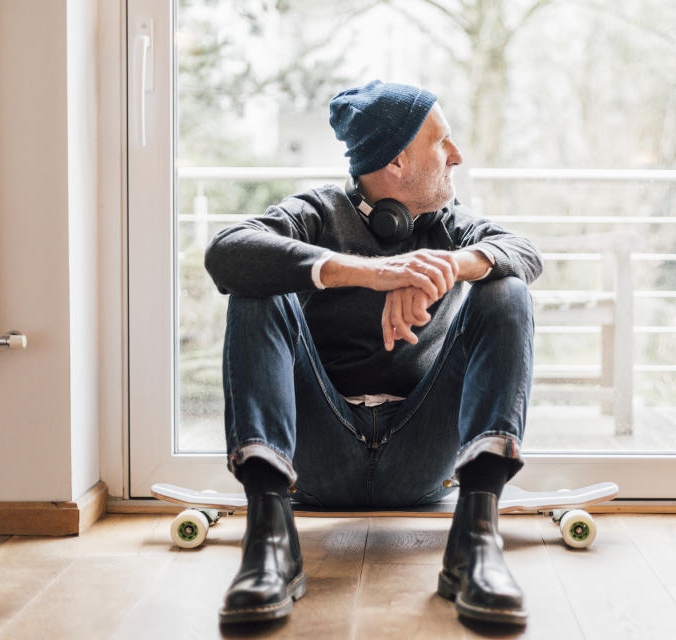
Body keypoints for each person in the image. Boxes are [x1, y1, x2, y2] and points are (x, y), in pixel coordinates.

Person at [204, 80, 543, 626]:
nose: (457, 156)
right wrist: (374, 273)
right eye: (443, 144)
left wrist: (442, 268)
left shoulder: (447, 224)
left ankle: (476, 541)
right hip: (320, 454)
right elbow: (227, 252)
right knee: (254, 288)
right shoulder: (318, 211)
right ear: (398, 161)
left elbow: (524, 251)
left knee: (507, 288)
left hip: (421, 453)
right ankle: (268, 542)